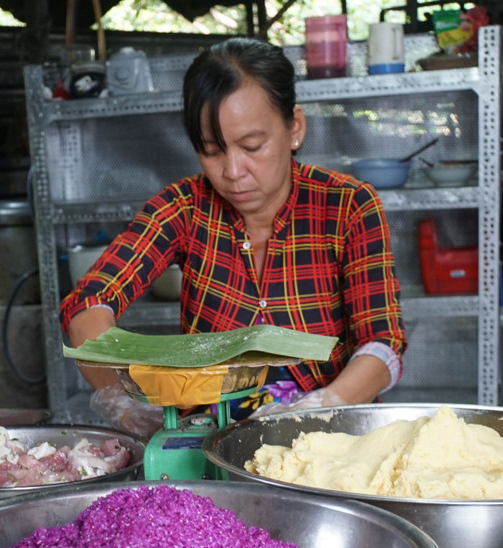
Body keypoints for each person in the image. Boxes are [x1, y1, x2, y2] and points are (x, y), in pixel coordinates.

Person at [60, 37, 406, 436]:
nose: (234, 170)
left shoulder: (348, 205)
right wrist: (123, 403)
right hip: (210, 440)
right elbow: (87, 306)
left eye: (252, 146)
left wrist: (324, 404)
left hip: (332, 442)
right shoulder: (184, 208)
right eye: (212, 150)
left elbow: (382, 343)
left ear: (294, 127)